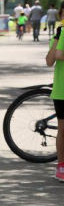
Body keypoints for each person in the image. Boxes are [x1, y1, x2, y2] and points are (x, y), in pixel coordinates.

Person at [45, 22, 64, 181]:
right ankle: (61, 166)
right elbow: (51, 60)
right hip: (62, 90)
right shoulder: (61, 34)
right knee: (62, 130)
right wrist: (57, 38)